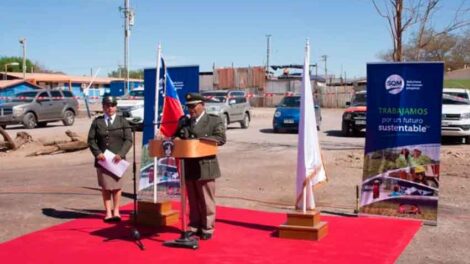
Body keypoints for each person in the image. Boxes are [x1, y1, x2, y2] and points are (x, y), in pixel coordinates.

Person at [174, 92, 226, 240]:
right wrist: (175, 139)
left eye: (194, 106)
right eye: (189, 106)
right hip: (189, 165)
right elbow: (177, 136)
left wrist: (197, 142)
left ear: (202, 105)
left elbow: (220, 138)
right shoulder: (184, 121)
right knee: (193, 198)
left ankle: (208, 227)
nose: (191, 109)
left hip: (206, 166)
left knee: (206, 199)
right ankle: (195, 225)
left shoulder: (213, 121)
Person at [87, 94, 132, 223]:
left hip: (117, 160)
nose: (110, 108)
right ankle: (108, 212)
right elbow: (91, 140)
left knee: (117, 187)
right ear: (103, 107)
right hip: (103, 160)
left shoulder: (122, 121)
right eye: (107, 106)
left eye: (112, 105)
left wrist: (121, 153)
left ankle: (116, 211)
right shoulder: (97, 122)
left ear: (116, 107)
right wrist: (97, 153)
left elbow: (128, 140)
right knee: (106, 187)